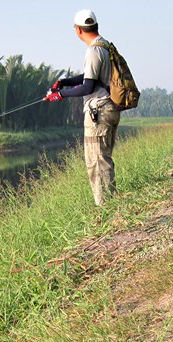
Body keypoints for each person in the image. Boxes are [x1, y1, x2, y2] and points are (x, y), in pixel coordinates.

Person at [46, 9, 121, 206]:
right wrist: (64, 82)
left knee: (96, 162)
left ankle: (106, 207)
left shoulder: (94, 50)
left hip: (99, 110)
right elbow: (90, 77)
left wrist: (60, 95)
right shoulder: (104, 47)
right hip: (109, 108)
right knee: (103, 158)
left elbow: (88, 86)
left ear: (78, 30)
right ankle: (111, 204)